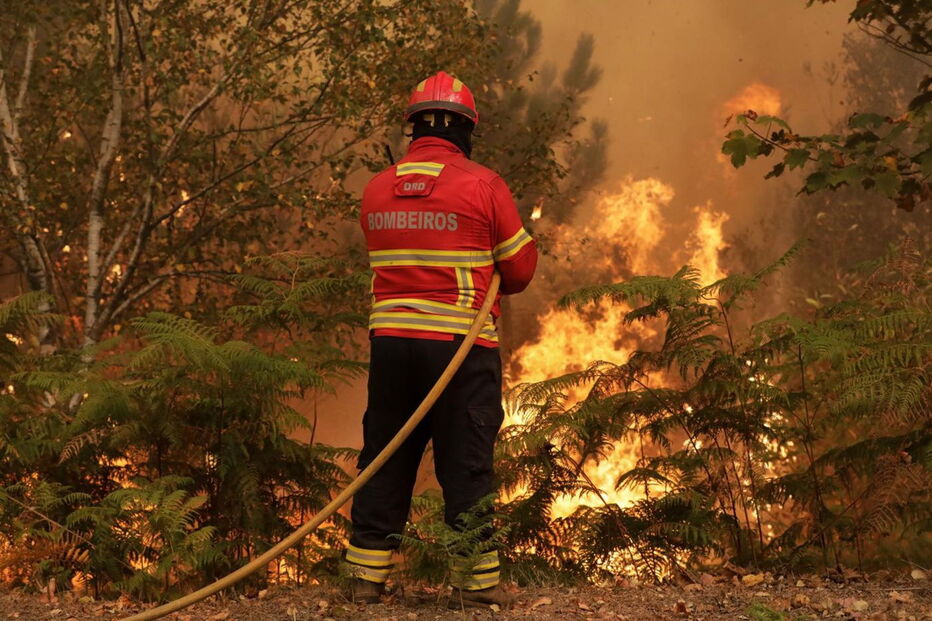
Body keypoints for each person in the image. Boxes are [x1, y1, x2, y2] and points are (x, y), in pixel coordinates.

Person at [343, 71, 537, 609]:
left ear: (413, 128)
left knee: (384, 456)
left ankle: (365, 581)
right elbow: (519, 270)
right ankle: (475, 588)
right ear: (466, 129)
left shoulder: (377, 188)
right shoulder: (483, 185)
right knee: (465, 461)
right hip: (459, 348)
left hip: (391, 346)